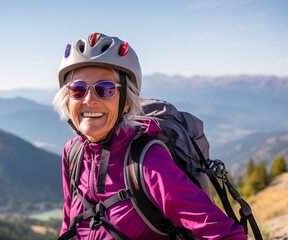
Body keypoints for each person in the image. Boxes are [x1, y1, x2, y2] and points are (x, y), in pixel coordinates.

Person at [53, 32, 247, 240]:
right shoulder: (72, 153)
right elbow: (68, 226)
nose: (89, 99)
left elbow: (223, 233)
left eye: (105, 89)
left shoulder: (147, 160)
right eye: (78, 89)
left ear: (127, 102)